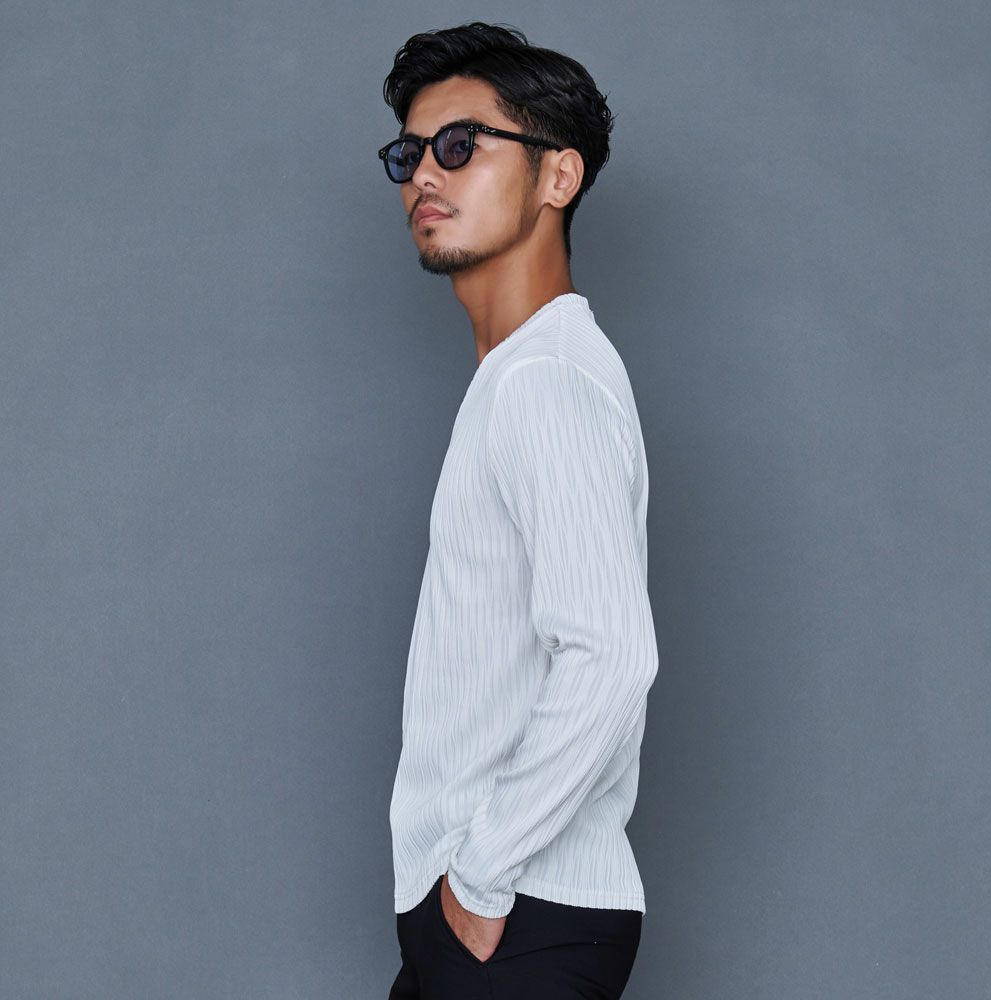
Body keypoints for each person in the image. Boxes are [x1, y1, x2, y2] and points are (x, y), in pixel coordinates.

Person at [378, 21, 659, 999]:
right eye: (409, 153)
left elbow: (611, 655)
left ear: (557, 176)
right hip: (485, 913)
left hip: (516, 911)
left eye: (461, 145)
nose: (425, 172)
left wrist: (482, 873)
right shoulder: (517, 379)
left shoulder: (545, 381)